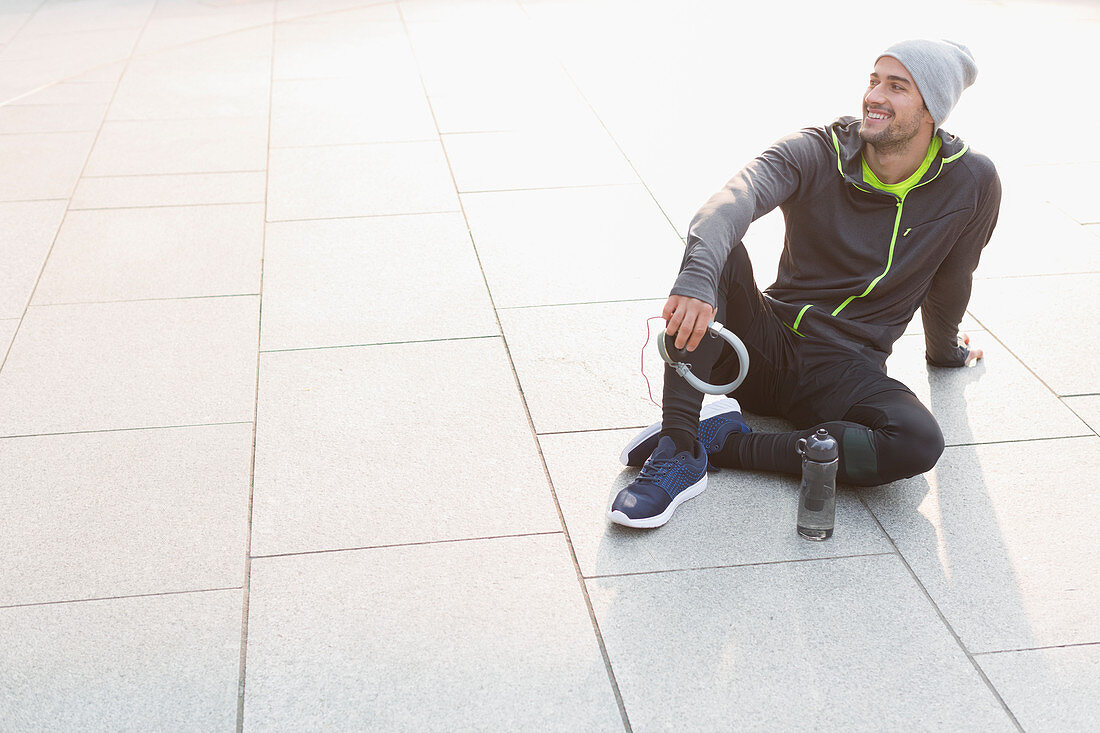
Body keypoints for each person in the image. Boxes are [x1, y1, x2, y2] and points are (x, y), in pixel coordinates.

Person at [609, 39, 1001, 529]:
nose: (875, 95)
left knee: (918, 442)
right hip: (764, 343)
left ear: (931, 112)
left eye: (896, 87)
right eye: (873, 80)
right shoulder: (818, 150)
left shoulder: (971, 181)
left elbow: (953, 276)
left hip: (845, 369)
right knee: (718, 250)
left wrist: (945, 351)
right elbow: (732, 200)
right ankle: (678, 446)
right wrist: (698, 279)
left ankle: (722, 443)